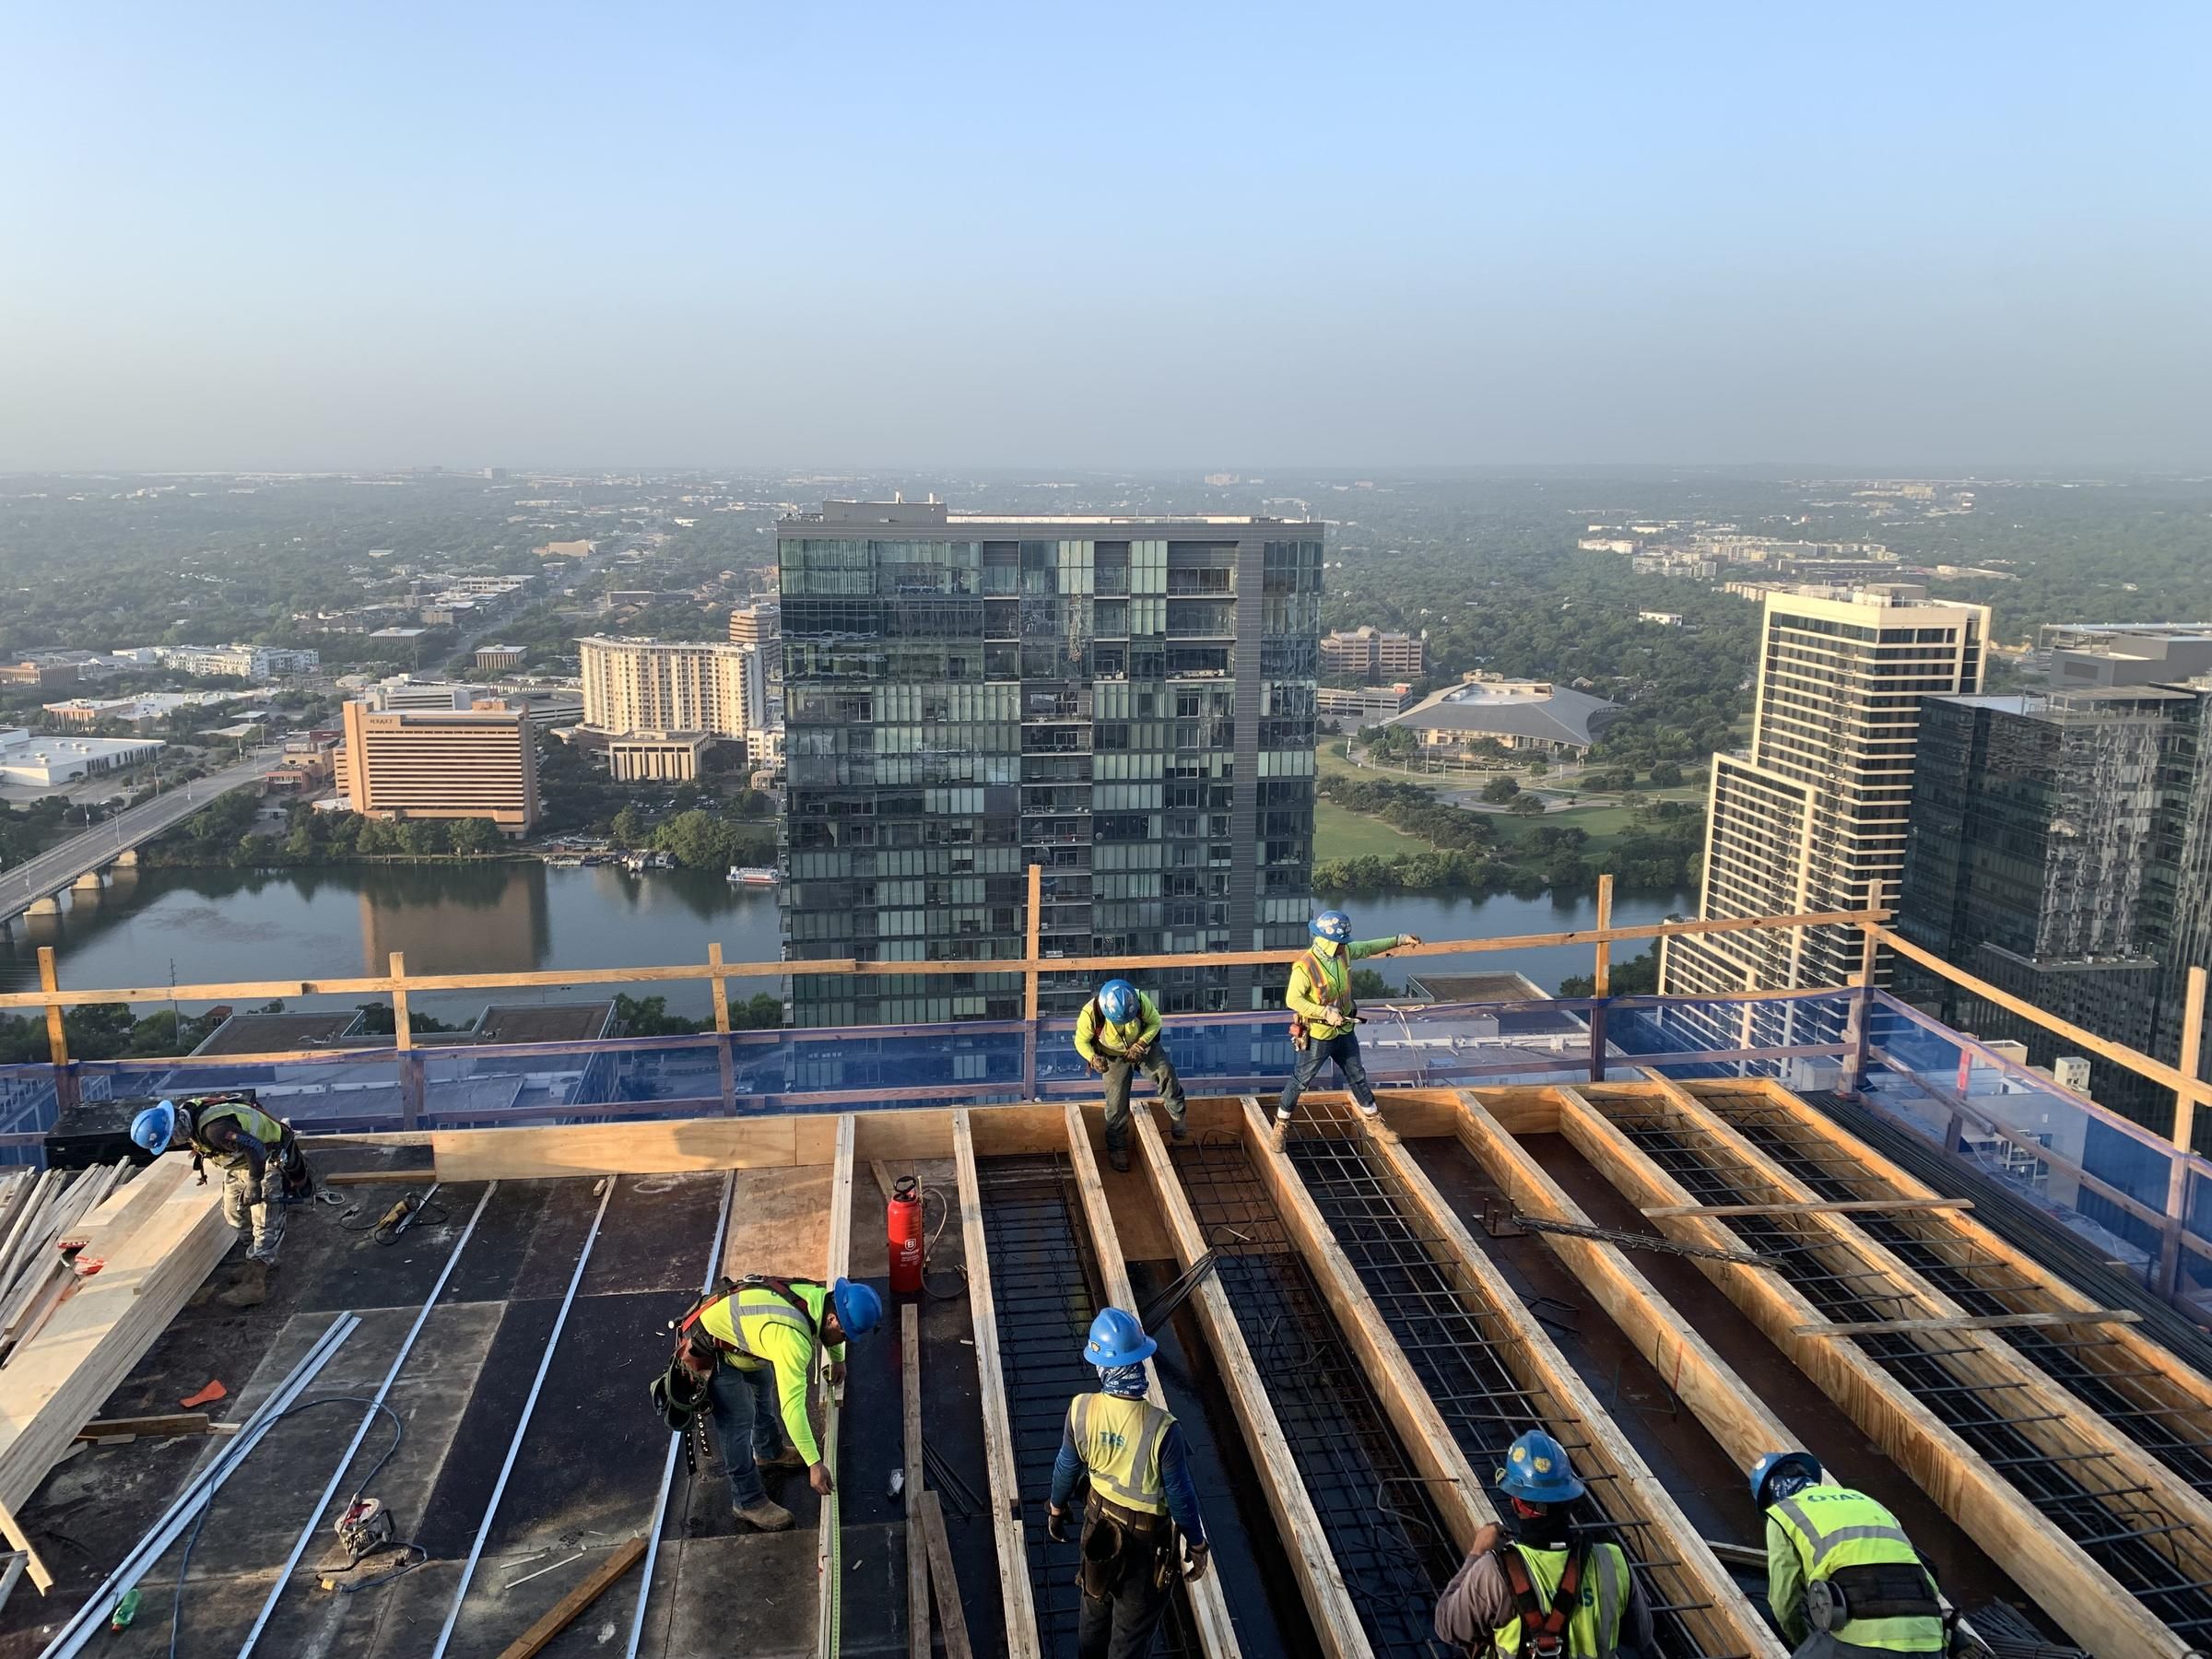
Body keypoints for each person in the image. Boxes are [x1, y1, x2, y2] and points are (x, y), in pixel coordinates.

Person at [1047, 1309, 1210, 1659]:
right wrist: (1196, 1545)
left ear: (1101, 1366)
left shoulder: (1081, 1410)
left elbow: (1065, 1467)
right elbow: (1181, 1496)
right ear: (1139, 1362)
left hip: (1098, 1530)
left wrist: (1056, 1509)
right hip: (1145, 1544)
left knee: (1094, 1608)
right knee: (1130, 1637)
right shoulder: (1163, 1429)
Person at [674, 1272, 883, 1532]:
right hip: (709, 1348)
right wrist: (814, 1464)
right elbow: (792, 1409)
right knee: (739, 1418)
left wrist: (837, 1357)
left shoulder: (817, 1296)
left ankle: (768, 1452)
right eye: (845, 1336)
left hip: (740, 1335)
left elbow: (831, 1333)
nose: (845, 1341)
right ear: (832, 1319)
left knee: (762, 1383)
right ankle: (747, 1501)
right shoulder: (792, 1341)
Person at [1434, 1429, 1652, 1658]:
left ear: (1517, 1503)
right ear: (1569, 1498)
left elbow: (1447, 1626)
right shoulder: (1612, 1563)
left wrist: (1477, 1552)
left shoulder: (1493, 1573)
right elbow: (1641, 1635)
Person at [1752, 1452, 1945, 1657]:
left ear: (1769, 1497)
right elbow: (1926, 1575)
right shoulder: (1869, 1502)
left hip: (1866, 1641)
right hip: (1930, 1639)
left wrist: (1801, 1641)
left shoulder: (1783, 1513)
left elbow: (1783, 1602)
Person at [131, 1093, 309, 1299]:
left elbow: (256, 1148)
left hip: (267, 1159)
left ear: (173, 1129)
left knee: (266, 1220)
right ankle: (258, 1258)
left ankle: (255, 1283)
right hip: (240, 1163)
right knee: (233, 1213)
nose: (171, 1146)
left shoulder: (215, 1130)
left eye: (168, 1142)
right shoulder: (189, 1117)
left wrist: (254, 1184)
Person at [1272, 910, 1420, 1147]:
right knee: (1301, 1080)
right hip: (1320, 1034)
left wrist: (1399, 939)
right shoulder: (1305, 967)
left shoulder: (1344, 953)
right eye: (1341, 943)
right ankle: (1281, 1126)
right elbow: (1293, 1000)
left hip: (1344, 1031)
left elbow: (1369, 947)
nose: (1344, 947)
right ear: (1329, 942)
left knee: (1357, 1075)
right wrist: (1324, 1012)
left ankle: (1373, 1121)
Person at [1076, 979, 1189, 1172]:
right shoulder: (1091, 1014)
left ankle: (1177, 1116)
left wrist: (1141, 1044)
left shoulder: (1139, 1001)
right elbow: (1081, 1041)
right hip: (1112, 1056)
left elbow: (1155, 1022)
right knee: (1116, 1103)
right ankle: (1117, 1148)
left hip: (1142, 1048)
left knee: (1165, 1072)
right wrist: (1093, 1058)